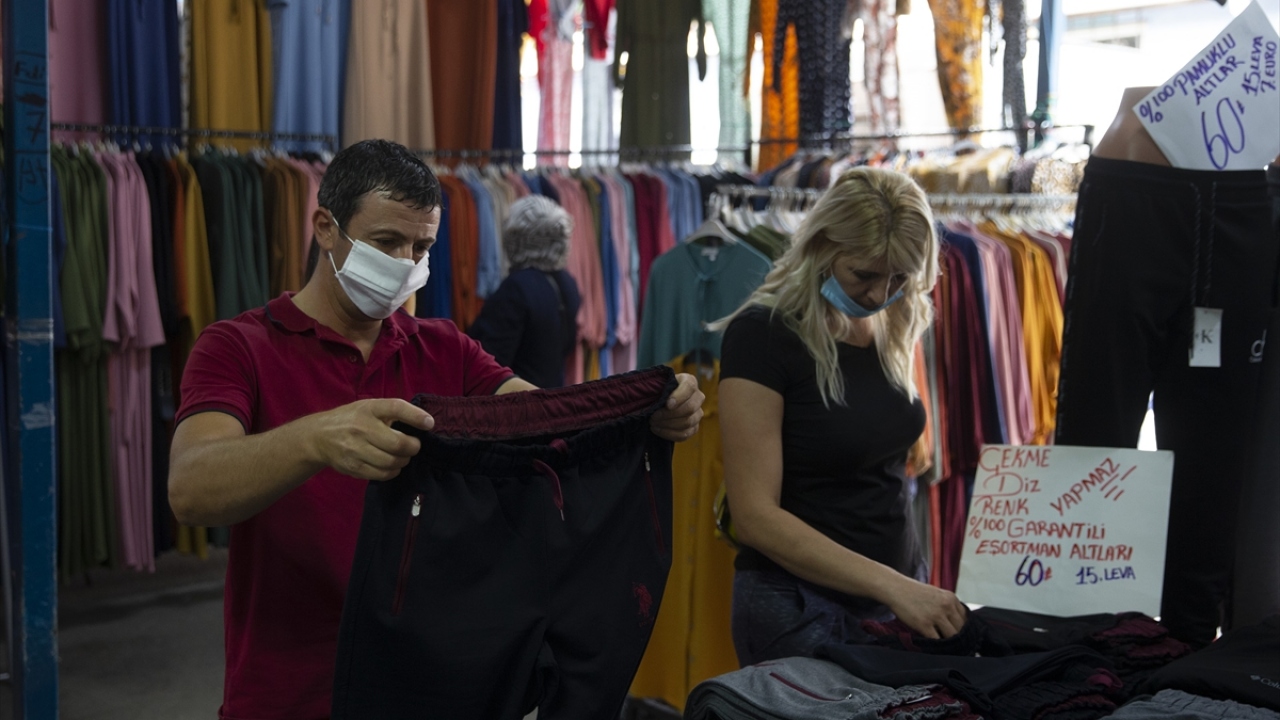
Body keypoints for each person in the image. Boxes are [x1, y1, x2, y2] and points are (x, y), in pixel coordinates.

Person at [167, 139, 704, 719]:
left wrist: (640, 412)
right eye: (386, 242)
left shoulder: (445, 348)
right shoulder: (238, 347)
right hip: (290, 694)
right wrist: (316, 438)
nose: (404, 263)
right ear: (325, 227)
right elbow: (192, 488)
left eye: (421, 246)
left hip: (429, 689)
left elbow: (548, 423)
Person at [715, 166, 966, 667]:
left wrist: (905, 584)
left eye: (899, 277)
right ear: (823, 246)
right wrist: (893, 585)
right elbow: (755, 518)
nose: (880, 293)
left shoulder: (887, 323)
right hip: (799, 609)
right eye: (865, 275)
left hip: (890, 601)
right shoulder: (763, 334)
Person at [467, 195, 582, 388]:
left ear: (517, 237)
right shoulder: (567, 282)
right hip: (554, 397)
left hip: (518, 402)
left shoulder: (516, 288)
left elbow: (488, 357)